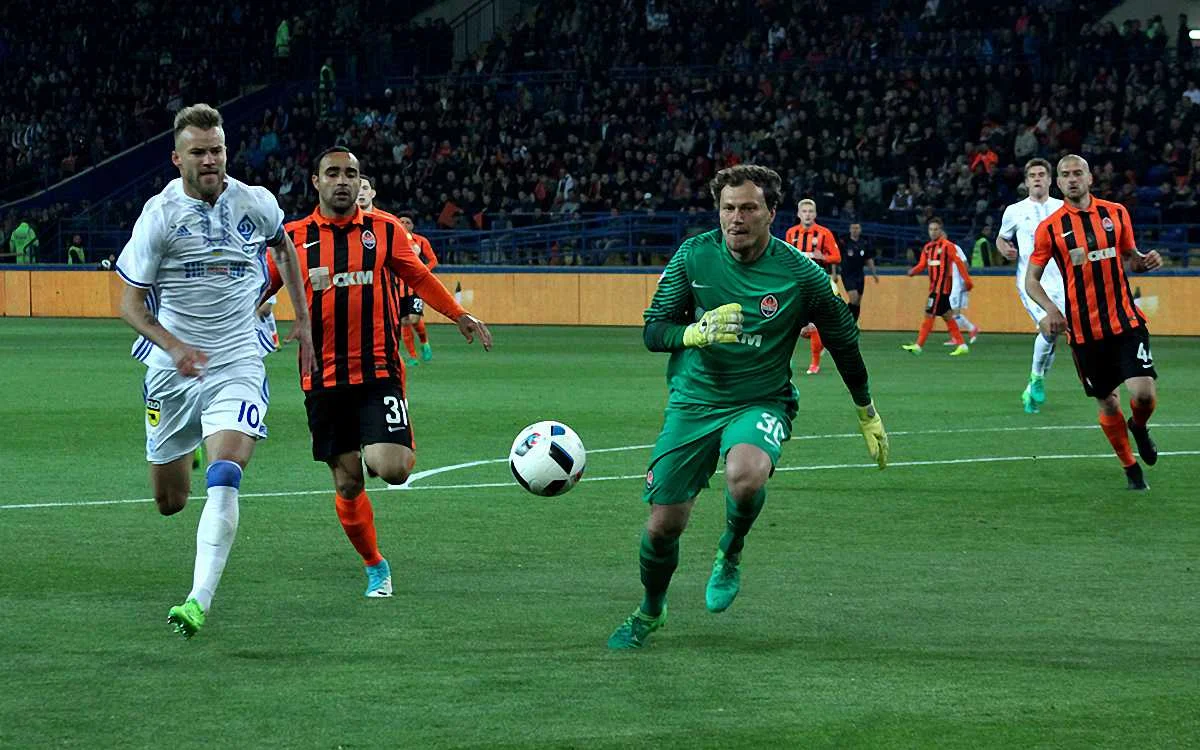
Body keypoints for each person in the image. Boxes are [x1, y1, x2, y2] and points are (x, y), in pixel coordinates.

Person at [607, 165, 889, 650]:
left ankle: (730, 550)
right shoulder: (694, 257)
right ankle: (650, 610)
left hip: (762, 399)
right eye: (728, 208)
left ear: (771, 213)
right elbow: (654, 329)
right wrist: (694, 333)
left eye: (748, 208)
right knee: (664, 524)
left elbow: (843, 340)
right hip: (694, 401)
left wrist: (866, 409)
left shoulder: (801, 274)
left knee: (746, 472)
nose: (736, 218)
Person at [114, 103, 315, 639]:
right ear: (177, 158)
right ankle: (195, 440)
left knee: (226, 474)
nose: (211, 160)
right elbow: (129, 304)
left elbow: (284, 248)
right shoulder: (159, 216)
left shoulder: (255, 202)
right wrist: (173, 345)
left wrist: (303, 322)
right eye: (199, 152)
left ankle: (197, 601)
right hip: (172, 370)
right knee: (171, 501)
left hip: (237, 360)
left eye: (218, 150)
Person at [264, 147, 492, 597]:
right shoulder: (293, 237)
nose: (342, 181)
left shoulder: (384, 229)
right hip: (322, 377)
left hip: (378, 371)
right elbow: (258, 287)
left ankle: (384, 442)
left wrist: (457, 313)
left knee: (394, 468)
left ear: (360, 181)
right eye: (333, 173)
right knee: (348, 483)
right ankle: (375, 565)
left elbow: (419, 277)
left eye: (350, 173)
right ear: (316, 182)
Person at [1026, 155, 1163, 490]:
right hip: (1085, 332)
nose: (1072, 179)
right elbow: (1032, 281)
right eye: (1066, 175)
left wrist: (1145, 262)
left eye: (1078, 173)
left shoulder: (1116, 213)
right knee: (1107, 401)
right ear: (1059, 183)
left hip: (1125, 322)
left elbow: (1131, 258)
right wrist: (1050, 310)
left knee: (1143, 394)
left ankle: (1139, 426)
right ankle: (1130, 467)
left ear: (1090, 178)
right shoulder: (1050, 228)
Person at [997, 158, 1066, 414]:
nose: (1037, 178)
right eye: (1033, 175)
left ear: (1050, 180)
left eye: (1041, 174)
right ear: (1026, 182)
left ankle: (1032, 388)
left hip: (1061, 282)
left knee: (1054, 335)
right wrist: (1004, 249)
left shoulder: (1063, 208)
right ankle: (1036, 377)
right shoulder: (1014, 211)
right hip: (1031, 281)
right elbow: (1001, 238)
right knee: (1048, 326)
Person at [784, 199, 841, 375]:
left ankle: (814, 363)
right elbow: (786, 257)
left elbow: (837, 257)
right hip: (797, 283)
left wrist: (822, 256)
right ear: (798, 214)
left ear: (815, 214)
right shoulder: (791, 233)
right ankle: (785, 360)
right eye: (804, 211)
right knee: (794, 325)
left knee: (815, 323)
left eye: (810, 211)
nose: (807, 214)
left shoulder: (824, 233)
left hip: (819, 281)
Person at [901, 217, 972, 356]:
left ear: (941, 230)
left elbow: (959, 263)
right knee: (947, 316)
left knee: (929, 313)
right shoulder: (927, 248)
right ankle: (962, 345)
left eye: (936, 229)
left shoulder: (947, 246)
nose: (933, 232)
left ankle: (918, 345)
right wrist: (913, 271)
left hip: (941, 289)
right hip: (935, 288)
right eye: (931, 229)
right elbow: (922, 264)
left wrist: (967, 281)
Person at [838, 222, 878, 322]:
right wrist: (834, 272)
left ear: (860, 230)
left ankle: (853, 323)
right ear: (850, 229)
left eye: (857, 228)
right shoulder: (844, 242)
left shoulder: (864, 243)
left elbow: (868, 259)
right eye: (853, 228)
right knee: (854, 298)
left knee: (857, 302)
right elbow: (837, 257)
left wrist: (874, 273)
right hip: (847, 273)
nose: (855, 230)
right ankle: (842, 318)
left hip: (859, 274)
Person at [945, 241, 980, 345]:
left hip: (959, 285)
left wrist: (965, 280)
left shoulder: (954, 247)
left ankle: (966, 332)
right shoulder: (941, 249)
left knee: (954, 313)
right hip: (953, 285)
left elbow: (965, 264)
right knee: (951, 313)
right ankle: (970, 329)